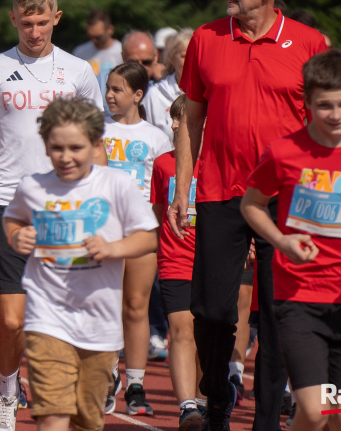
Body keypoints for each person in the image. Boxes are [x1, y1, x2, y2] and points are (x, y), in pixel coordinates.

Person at [169, 0, 327, 431]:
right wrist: (182, 187)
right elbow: (190, 118)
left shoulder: (308, 42)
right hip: (220, 191)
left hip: (289, 197)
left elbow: (326, 124)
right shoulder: (205, 38)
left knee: (282, 313)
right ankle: (218, 395)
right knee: (211, 310)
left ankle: (265, 418)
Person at [241, 48, 341, 431]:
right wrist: (281, 241)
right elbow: (252, 205)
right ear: (307, 103)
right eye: (325, 106)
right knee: (315, 412)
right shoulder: (284, 152)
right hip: (299, 296)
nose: (336, 115)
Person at [0, 0, 102, 431]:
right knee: (10, 318)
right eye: (27, 23)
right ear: (14, 19)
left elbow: (95, 143)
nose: (35, 31)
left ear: (56, 18)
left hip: (65, 208)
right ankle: (7, 391)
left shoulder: (79, 71)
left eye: (43, 22)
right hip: (8, 204)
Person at [4, 98, 158, 431]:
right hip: (48, 316)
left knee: (86, 420)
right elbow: (12, 218)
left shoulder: (116, 185)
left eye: (76, 147)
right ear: (45, 146)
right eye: (57, 147)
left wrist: (113, 247)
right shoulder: (34, 187)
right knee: (54, 415)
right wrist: (17, 236)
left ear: (96, 144)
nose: (66, 156)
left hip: (99, 324)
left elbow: (148, 238)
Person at [101, 62, 171, 415]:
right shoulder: (96, 129)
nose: (110, 95)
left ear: (138, 95)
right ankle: (109, 373)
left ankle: (137, 384)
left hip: (141, 229)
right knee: (107, 305)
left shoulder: (156, 137)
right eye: (108, 88)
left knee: (136, 306)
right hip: (103, 230)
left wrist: (155, 231)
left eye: (117, 90)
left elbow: (162, 190)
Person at [151, 94, 203, 431]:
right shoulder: (163, 164)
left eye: (182, 120)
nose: (174, 125)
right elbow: (158, 213)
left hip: (214, 259)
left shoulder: (217, 162)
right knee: (182, 330)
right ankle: (187, 406)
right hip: (176, 258)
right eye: (173, 118)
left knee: (208, 333)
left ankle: (203, 399)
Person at [142, 29, 192, 140]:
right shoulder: (154, 94)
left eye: (194, 54)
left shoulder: (209, 92)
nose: (190, 60)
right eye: (184, 56)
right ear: (172, 59)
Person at [72, 10, 124, 96]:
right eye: (90, 37)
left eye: (99, 37)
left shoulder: (121, 51)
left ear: (110, 29)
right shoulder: (79, 52)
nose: (94, 41)